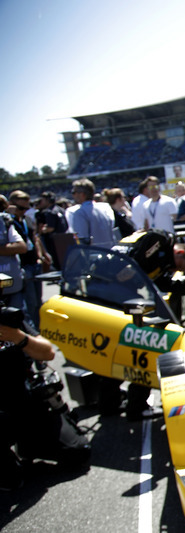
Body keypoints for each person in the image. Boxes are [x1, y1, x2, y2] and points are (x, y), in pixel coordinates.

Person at [1, 311, 89, 490]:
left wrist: (18, 337)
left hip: (24, 400)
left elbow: (48, 353)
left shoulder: (7, 320)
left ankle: (28, 446)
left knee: (77, 452)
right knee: (11, 480)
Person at [7, 190, 49, 328]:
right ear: (11, 205)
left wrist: (41, 254)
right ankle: (35, 330)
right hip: (22, 265)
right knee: (30, 302)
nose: (23, 211)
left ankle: (41, 326)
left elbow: (35, 237)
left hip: (34, 262)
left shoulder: (27, 219)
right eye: (20, 208)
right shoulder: (7, 222)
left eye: (27, 208)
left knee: (38, 300)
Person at [67, 178, 116, 248]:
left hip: (94, 254)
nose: (73, 195)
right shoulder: (105, 207)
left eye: (74, 192)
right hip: (109, 251)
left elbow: (82, 240)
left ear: (82, 194)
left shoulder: (79, 212)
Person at [34, 191, 69, 271]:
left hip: (54, 241)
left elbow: (50, 228)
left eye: (42, 200)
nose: (41, 202)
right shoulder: (60, 209)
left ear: (47, 200)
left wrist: (43, 230)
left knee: (58, 263)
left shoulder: (49, 212)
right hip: (64, 238)